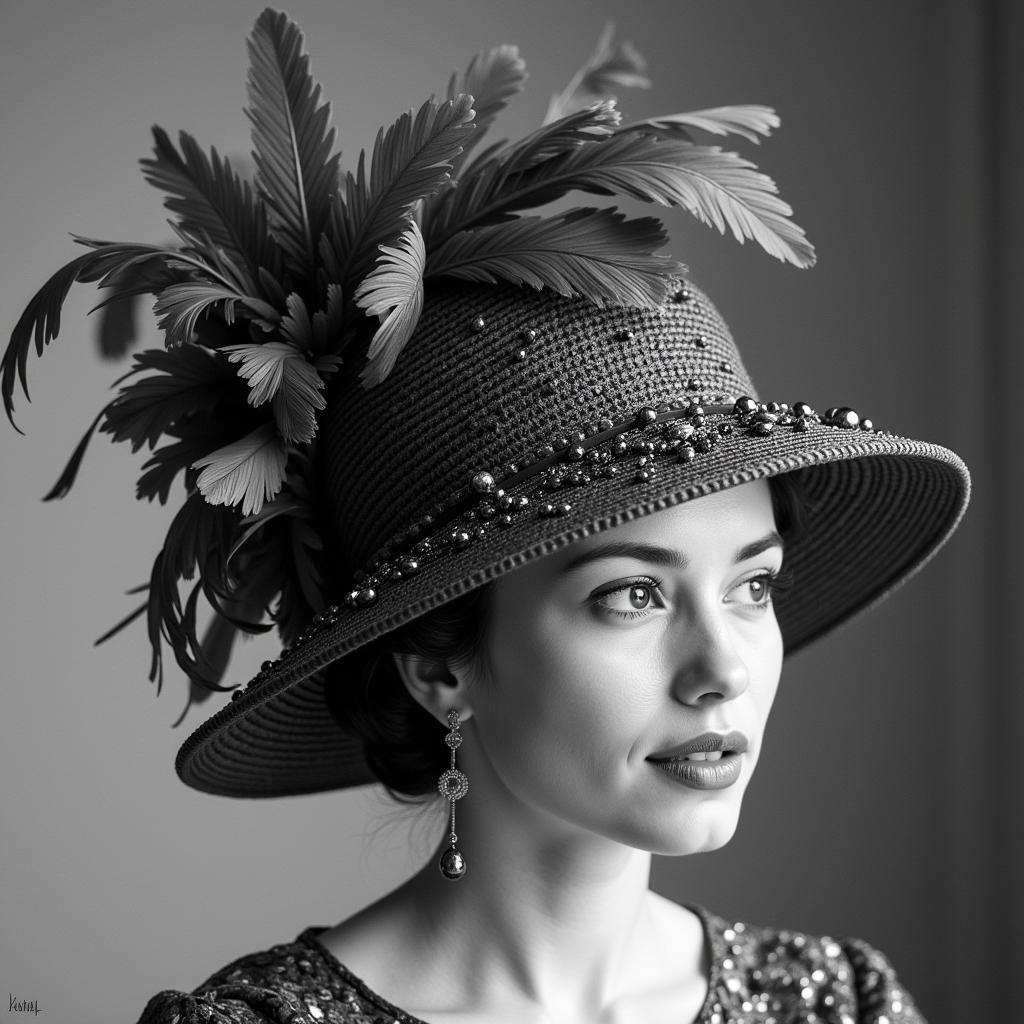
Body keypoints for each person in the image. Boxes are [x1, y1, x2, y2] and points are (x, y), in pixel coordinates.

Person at [2, 9, 968, 1024]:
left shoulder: (843, 1004)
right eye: (633, 593)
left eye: (754, 584)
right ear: (438, 666)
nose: (723, 668)